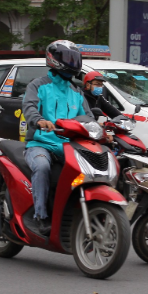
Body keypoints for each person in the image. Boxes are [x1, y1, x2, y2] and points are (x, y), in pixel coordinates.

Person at [22, 40, 92, 236]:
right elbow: (29, 107)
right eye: (68, 58)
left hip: (69, 147)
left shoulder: (76, 91)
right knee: (42, 167)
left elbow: (88, 117)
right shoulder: (38, 85)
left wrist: (100, 128)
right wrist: (39, 120)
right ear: (54, 59)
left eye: (75, 58)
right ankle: (41, 216)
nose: (73, 62)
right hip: (40, 144)